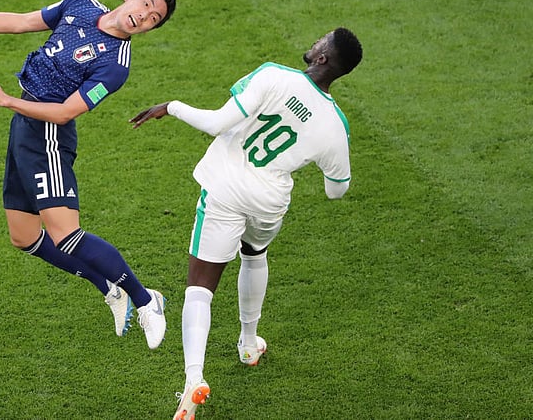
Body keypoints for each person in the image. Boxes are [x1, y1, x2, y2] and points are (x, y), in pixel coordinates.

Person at [130, 27, 363, 418]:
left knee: (200, 290)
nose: (314, 42)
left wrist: (170, 106)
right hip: (269, 202)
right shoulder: (336, 125)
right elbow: (336, 190)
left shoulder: (274, 74)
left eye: (321, 41)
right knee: (255, 254)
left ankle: (193, 380)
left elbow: (219, 123)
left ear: (323, 58)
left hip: (225, 191)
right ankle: (249, 342)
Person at [0, 0, 177, 349]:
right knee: (24, 237)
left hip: (49, 137)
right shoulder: (80, 5)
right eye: (146, 5)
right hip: (24, 129)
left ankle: (146, 300)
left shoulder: (115, 65)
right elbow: (21, 22)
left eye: (153, 19)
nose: (144, 16)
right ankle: (108, 287)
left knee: (66, 234)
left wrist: (6, 100)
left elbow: (65, 112)